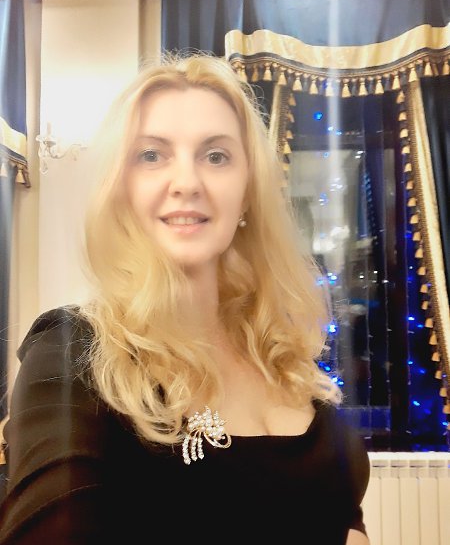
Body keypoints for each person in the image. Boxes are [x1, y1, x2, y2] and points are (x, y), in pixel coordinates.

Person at [0, 53, 370, 544]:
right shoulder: (72, 350)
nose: (187, 183)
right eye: (152, 155)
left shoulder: (280, 353)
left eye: (216, 156)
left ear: (246, 193)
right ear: (121, 189)